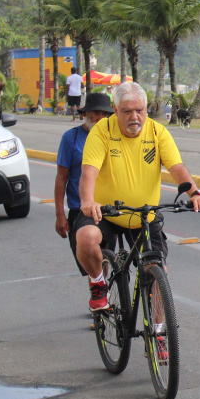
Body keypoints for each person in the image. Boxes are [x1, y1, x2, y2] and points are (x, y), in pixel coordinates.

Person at [75, 82, 200, 316]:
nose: (134, 117)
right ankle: (98, 283)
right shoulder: (102, 131)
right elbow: (89, 172)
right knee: (86, 237)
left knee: (157, 271)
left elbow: (176, 168)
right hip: (105, 212)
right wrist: (88, 201)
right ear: (115, 111)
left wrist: (195, 193)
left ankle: (158, 333)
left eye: (140, 110)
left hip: (144, 215)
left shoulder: (157, 132)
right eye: (127, 111)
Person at [54, 93, 115, 277]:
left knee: (109, 260)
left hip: (110, 209)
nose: (101, 118)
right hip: (81, 210)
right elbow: (61, 178)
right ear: (84, 114)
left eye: (105, 114)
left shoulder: (115, 138)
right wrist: (59, 215)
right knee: (92, 261)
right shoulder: (70, 138)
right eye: (96, 113)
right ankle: (100, 296)